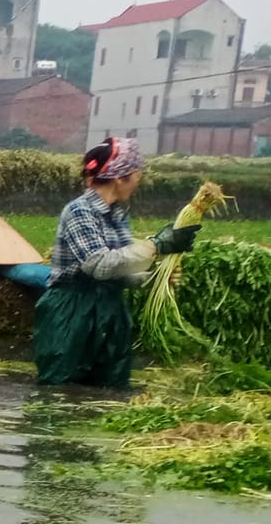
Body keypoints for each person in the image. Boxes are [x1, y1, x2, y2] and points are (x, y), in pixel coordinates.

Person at [32, 137, 197, 388]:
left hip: (110, 310)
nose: (137, 181)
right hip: (72, 310)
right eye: (135, 175)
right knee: (59, 393)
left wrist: (154, 278)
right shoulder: (79, 211)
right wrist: (155, 245)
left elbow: (118, 271)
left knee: (110, 392)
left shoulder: (117, 215)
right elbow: (99, 265)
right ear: (120, 177)